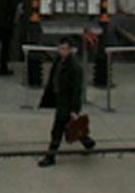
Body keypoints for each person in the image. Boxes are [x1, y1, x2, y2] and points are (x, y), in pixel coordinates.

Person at [38, 36, 95, 167]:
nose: (61, 51)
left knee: (57, 129)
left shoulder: (74, 68)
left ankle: (50, 156)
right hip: (60, 99)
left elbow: (77, 91)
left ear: (70, 50)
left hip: (66, 103)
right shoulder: (59, 61)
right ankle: (87, 141)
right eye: (60, 48)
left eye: (64, 49)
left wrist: (75, 109)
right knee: (71, 126)